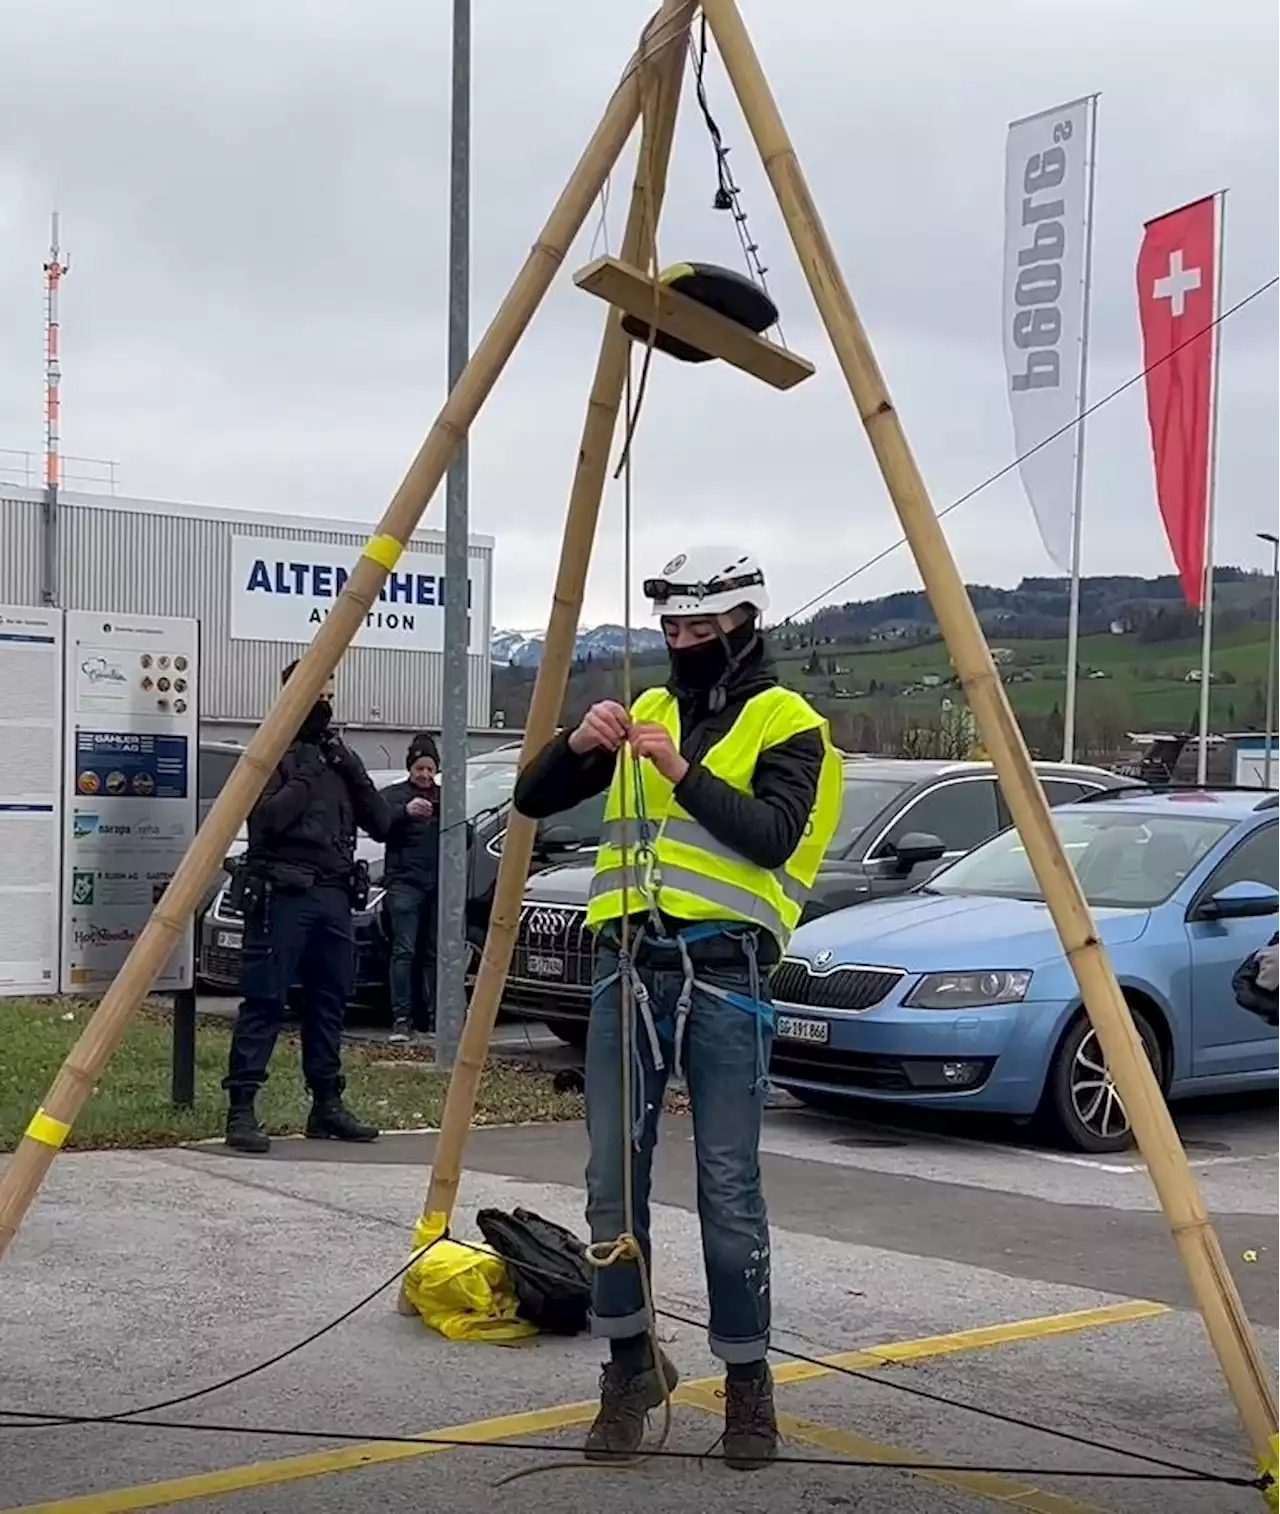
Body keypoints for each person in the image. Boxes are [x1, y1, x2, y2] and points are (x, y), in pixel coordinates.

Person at [513, 545, 843, 1470]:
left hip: (726, 977)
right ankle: (628, 1368)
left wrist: (682, 771)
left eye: (699, 628)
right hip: (628, 970)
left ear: (742, 625)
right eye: (670, 628)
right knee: (611, 1183)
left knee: (727, 1190)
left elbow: (773, 838)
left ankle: (747, 1382)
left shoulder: (788, 720)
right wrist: (579, 744)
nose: (681, 642)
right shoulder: (647, 709)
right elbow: (533, 797)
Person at [222, 662, 393, 1155]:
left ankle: (326, 1105)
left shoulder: (337, 757)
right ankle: (242, 1108)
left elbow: (381, 823)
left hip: (334, 896)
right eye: (317, 693)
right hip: (284, 894)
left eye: (330, 694)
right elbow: (268, 820)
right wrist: (308, 771)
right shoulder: (268, 753)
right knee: (266, 1001)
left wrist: (346, 765)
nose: (325, 703)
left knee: (330, 1003)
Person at [380, 733, 443, 1041]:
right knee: (403, 951)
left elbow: (467, 837)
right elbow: (378, 826)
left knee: (433, 953)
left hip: (437, 887)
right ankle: (400, 1019)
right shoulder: (394, 796)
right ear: (410, 768)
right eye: (420, 768)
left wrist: (447, 815)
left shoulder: (445, 798)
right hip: (404, 884)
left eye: (430, 769)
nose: (425, 775)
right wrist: (405, 812)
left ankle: (430, 1018)